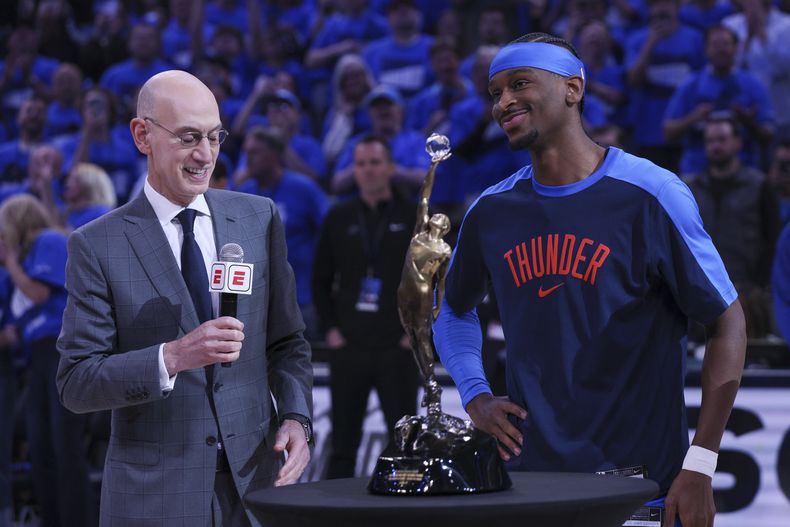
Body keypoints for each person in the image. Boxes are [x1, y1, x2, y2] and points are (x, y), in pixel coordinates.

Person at [433, 33, 746, 527]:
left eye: (519, 84)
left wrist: (702, 463)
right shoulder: (492, 211)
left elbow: (728, 323)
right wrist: (475, 393)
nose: (504, 102)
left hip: (640, 490)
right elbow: (452, 307)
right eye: (495, 93)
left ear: (573, 89)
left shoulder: (652, 193)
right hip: (529, 485)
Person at [56, 70, 313, 527]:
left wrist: (296, 417)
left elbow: (287, 343)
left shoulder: (258, 218)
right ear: (142, 135)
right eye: (190, 137)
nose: (205, 155)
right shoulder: (97, 244)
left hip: (256, 487)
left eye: (215, 137)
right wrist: (171, 357)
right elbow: (77, 382)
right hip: (154, 498)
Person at [312, 135, 419, 478]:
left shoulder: (415, 215)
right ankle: (334, 514)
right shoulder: (339, 217)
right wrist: (330, 330)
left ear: (390, 167)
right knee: (343, 443)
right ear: (354, 170)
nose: (368, 170)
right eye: (361, 164)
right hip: (349, 345)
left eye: (375, 162)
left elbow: (429, 281)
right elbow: (319, 279)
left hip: (397, 346)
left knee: (404, 443)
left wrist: (415, 335)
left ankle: (406, 510)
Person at [0, 194, 96, 527]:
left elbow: (40, 295)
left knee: (64, 448)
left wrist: (10, 263)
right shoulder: (23, 263)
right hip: (38, 359)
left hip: (61, 351)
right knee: (41, 450)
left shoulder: (49, 239)